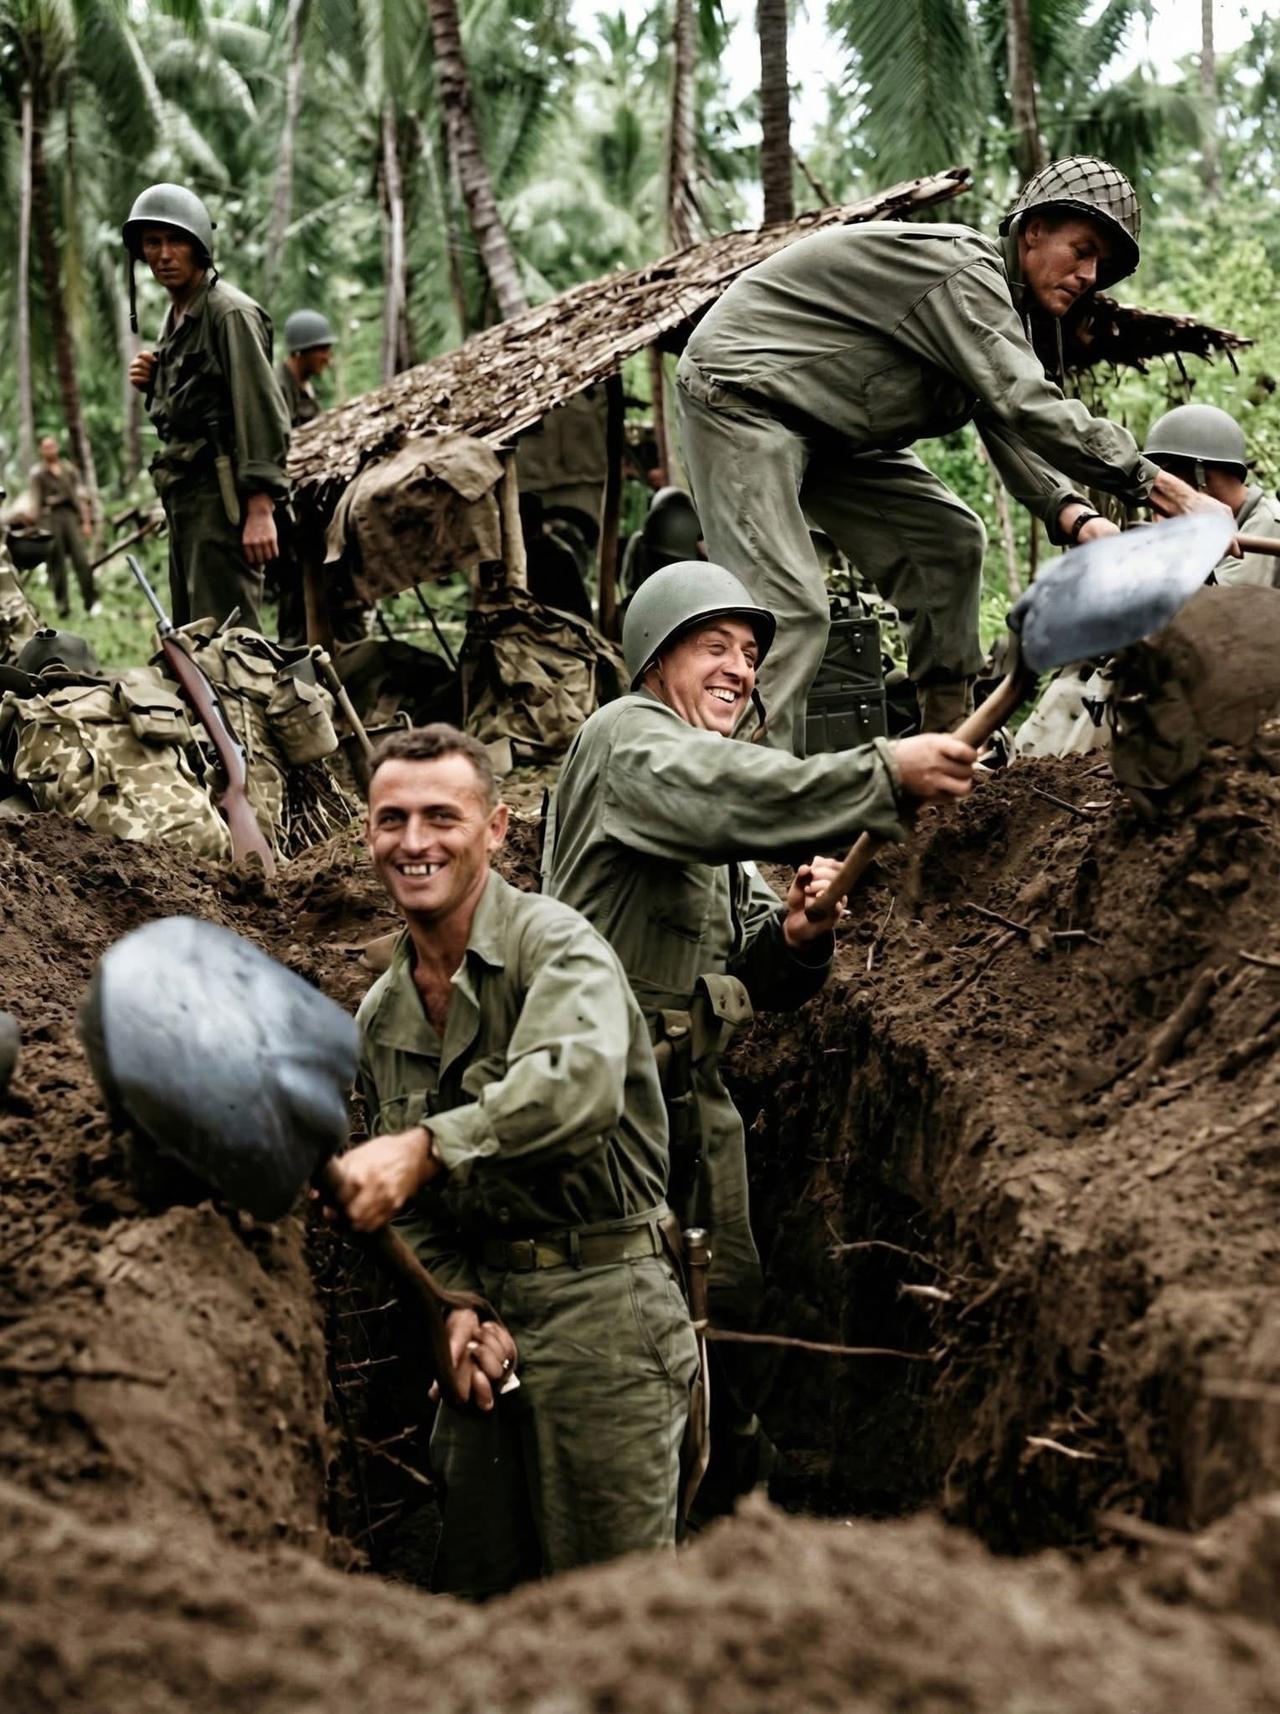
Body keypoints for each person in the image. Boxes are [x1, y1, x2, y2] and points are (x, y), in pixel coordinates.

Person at [543, 560, 975, 1508]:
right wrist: (881, 773)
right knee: (635, 1325)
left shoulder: (703, 803)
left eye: (750, 654)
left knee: (727, 1304)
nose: (740, 670)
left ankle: (733, 1495)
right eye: (715, 647)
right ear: (657, 659)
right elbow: (720, 793)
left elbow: (757, 974)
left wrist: (797, 934)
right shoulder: (629, 743)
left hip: (694, 1101)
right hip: (599, 1099)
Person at [676, 155, 1234, 752]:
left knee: (950, 542)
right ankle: (743, 817)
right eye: (1082, 248)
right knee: (788, 614)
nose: (1090, 274)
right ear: (1034, 229)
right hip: (739, 396)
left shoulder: (999, 320)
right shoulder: (963, 272)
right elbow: (1026, 403)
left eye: (1100, 263)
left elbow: (1011, 426)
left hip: (828, 433)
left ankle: (944, 746)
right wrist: (1169, 491)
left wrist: (1081, 519)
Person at [326, 724, 698, 1598]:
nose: (414, 843)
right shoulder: (381, 1016)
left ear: (495, 829)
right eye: (391, 820)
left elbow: (575, 1088)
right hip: (485, 1323)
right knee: (479, 1605)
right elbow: (408, 1214)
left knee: (617, 1617)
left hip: (607, 1312)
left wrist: (427, 1147)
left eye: (441, 817)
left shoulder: (558, 948)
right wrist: (450, 1308)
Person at [123, 182, 291, 633]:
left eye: (176, 240)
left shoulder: (228, 313)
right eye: (152, 242)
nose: (163, 254)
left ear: (200, 246)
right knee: (194, 636)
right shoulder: (178, 315)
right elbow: (190, 408)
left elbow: (259, 407)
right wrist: (153, 383)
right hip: (187, 498)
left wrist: (260, 507)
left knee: (230, 646)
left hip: (224, 500)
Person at [1144, 403, 1280, 588]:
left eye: (1168, 475)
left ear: (1201, 475)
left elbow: (1221, 607)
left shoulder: (1270, 524)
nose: (1163, 487)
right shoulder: (1225, 523)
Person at [29, 436, 97, 619]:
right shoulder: (38, 474)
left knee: (81, 560)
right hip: (50, 519)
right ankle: (63, 607)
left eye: (52, 446)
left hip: (70, 516)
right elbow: (35, 503)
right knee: (56, 563)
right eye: (46, 447)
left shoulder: (68, 469)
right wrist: (36, 528)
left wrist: (86, 522)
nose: (50, 450)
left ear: (57, 448)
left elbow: (81, 496)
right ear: (41, 451)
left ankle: (91, 602)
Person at [277, 309, 336, 429]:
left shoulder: (304, 386)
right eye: (322, 350)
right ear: (299, 352)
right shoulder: (278, 390)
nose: (328, 358)